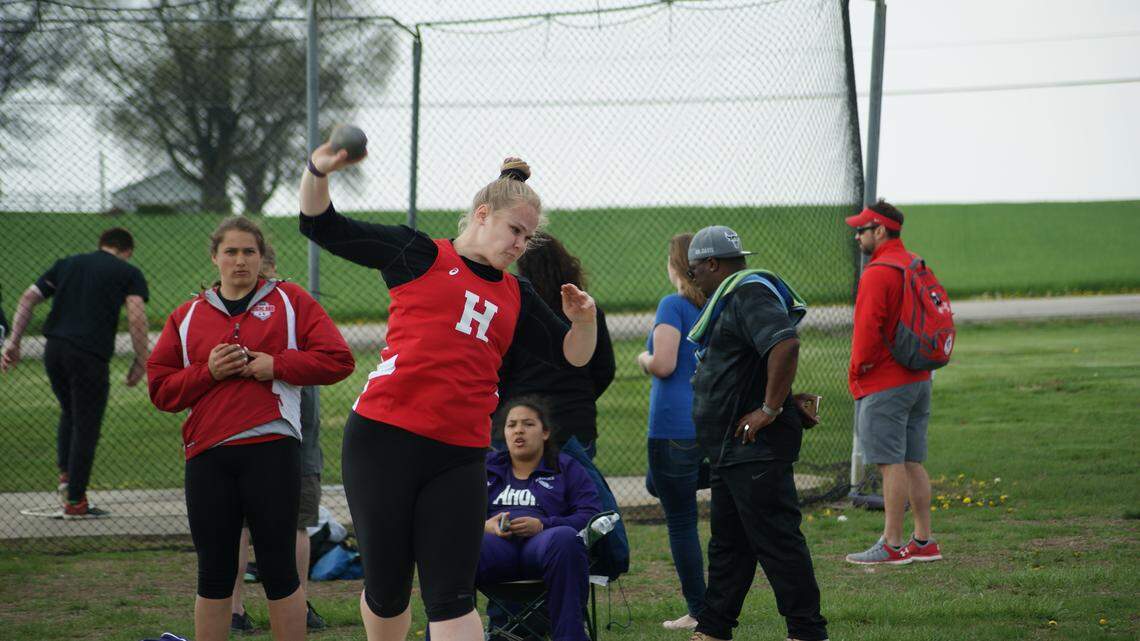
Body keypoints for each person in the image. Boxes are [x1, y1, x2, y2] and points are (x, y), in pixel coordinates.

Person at [299, 144, 598, 641]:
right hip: (383, 441)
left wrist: (584, 321)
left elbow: (575, 356)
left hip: (459, 455)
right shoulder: (418, 254)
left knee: (452, 594)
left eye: (528, 236)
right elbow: (320, 225)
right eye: (515, 231)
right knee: (388, 589)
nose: (521, 245)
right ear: (483, 215)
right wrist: (318, 170)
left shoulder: (516, 294)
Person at [147, 216, 354, 641]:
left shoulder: (291, 301)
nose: (240, 260)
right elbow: (161, 390)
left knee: (280, 569)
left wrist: (276, 364)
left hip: (272, 451)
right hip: (208, 457)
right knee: (216, 570)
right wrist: (209, 372)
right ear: (215, 257)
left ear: (262, 257)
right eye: (231, 252)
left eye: (249, 252)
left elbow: (339, 360)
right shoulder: (186, 316)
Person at [683, 225, 828, 641]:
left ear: (711, 264)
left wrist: (770, 408)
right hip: (732, 449)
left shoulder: (747, 292)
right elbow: (754, 361)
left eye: (694, 272)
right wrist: (778, 396)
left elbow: (785, 344)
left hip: (755, 448)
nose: (694, 282)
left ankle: (807, 631)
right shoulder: (734, 296)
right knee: (729, 545)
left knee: (777, 542)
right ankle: (713, 629)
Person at [1, 227, 150, 519]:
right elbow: (135, 315)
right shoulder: (128, 272)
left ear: (102, 244)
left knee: (70, 411)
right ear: (127, 250)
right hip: (89, 354)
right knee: (87, 424)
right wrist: (141, 359)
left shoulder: (67, 264)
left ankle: (66, 478)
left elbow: (28, 298)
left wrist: (14, 341)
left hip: (54, 349)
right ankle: (75, 501)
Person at [229, 244, 328, 634]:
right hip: (250, 432)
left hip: (295, 431)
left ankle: (290, 606)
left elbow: (329, 358)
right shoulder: (242, 310)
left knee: (296, 522)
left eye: (255, 260)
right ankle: (236, 608)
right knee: (251, 524)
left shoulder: (293, 305)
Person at [844, 200, 942, 565]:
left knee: (890, 463)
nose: (857, 236)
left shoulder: (878, 271)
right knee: (912, 459)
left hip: (885, 381)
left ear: (880, 231)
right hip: (919, 377)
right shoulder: (913, 263)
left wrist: (856, 372)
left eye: (862, 230)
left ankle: (892, 543)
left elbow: (867, 333)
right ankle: (923, 540)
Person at [480, 396, 602, 641]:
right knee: (459, 546)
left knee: (565, 539)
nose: (519, 431)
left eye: (528, 424)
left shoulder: (566, 468)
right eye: (511, 425)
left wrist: (544, 525)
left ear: (545, 432)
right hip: (496, 548)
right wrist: (485, 526)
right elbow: (456, 513)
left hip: (544, 547)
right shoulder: (486, 467)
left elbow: (590, 514)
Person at [635, 233, 707, 631]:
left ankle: (699, 610)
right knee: (657, 482)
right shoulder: (713, 305)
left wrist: (644, 358)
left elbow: (663, 363)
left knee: (681, 521)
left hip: (672, 426)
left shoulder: (673, 305)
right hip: (705, 423)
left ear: (676, 266)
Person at [497, 232, 615, 457]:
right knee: (574, 490)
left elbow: (501, 370)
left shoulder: (515, 313)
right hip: (574, 421)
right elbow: (604, 369)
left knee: (521, 491)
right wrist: (580, 397)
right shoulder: (587, 314)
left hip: (520, 420)